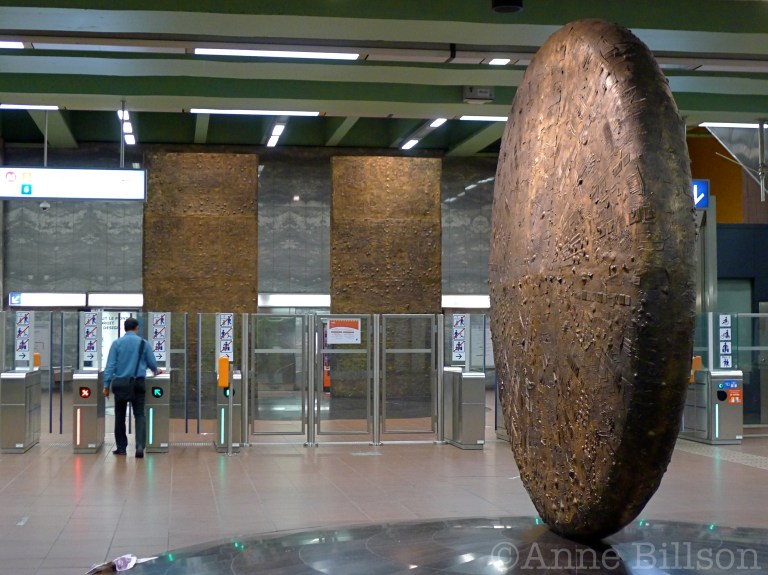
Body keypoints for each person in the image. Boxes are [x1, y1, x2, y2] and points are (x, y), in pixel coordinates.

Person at [103, 317, 161, 458]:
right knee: (140, 414)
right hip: (138, 383)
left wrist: (106, 384)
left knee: (120, 415)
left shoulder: (117, 344)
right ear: (137, 328)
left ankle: (121, 448)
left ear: (125, 328)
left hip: (121, 384)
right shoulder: (143, 343)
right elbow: (152, 363)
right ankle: (140, 446)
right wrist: (156, 370)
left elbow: (110, 365)